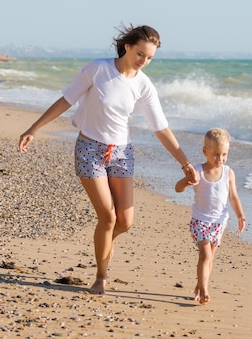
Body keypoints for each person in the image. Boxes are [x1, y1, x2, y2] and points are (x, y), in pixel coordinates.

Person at [19, 24, 199, 296]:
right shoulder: (98, 69)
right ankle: (101, 277)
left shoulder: (143, 85)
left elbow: (160, 127)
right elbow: (66, 100)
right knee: (108, 216)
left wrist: (184, 163)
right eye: (140, 54)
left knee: (124, 222)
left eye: (149, 58)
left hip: (122, 152)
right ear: (127, 47)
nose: (143, 62)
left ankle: (102, 241)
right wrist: (34, 128)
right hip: (89, 149)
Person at [175, 128, 246, 304]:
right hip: (200, 220)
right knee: (205, 254)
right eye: (215, 155)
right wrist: (186, 181)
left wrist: (240, 215)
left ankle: (200, 287)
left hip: (219, 222)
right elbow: (177, 188)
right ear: (205, 151)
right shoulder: (197, 170)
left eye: (224, 155)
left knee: (208, 257)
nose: (220, 159)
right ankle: (205, 289)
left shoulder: (228, 172)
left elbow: (233, 196)